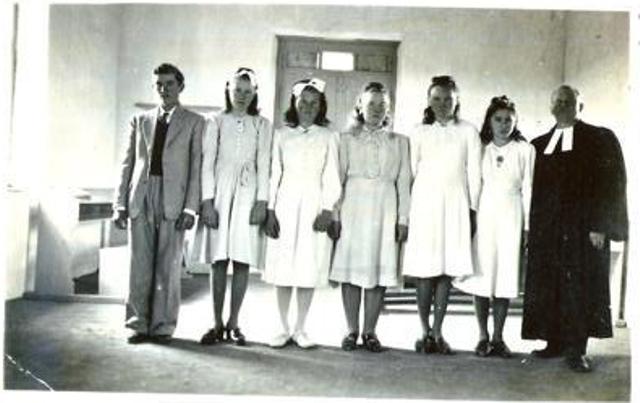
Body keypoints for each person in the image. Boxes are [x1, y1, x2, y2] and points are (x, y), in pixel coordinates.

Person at [522, 85, 628, 372]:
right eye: (557, 100)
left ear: (580, 106)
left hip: (584, 230)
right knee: (551, 285)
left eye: (568, 101)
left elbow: (611, 186)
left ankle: (577, 349)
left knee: (579, 288)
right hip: (549, 232)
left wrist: (601, 225)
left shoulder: (599, 139)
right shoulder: (540, 143)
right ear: (550, 106)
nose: (562, 105)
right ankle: (554, 341)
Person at [112, 63, 203, 345]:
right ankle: (137, 324)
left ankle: (163, 326)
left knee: (168, 266)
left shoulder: (195, 122)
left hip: (173, 199)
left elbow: (196, 168)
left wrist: (191, 208)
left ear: (181, 86)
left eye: (169, 84)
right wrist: (120, 203)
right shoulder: (140, 121)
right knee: (139, 264)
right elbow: (127, 163)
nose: (164, 89)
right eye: (159, 85)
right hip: (141, 196)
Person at [402, 75, 482, 355]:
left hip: (456, 207)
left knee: (447, 272)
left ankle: (438, 332)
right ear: (428, 101)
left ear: (456, 100)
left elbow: (475, 174)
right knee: (425, 272)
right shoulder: (418, 132)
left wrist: (473, 210)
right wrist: (406, 213)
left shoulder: (469, 132)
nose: (442, 104)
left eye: (448, 98)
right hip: (424, 207)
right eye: (436, 98)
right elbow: (409, 174)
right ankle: (424, 331)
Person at [329, 82, 410, 352]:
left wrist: (403, 219)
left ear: (388, 109)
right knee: (351, 272)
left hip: (384, 209)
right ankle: (352, 330)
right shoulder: (346, 139)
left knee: (378, 270)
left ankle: (370, 331)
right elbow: (336, 180)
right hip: (353, 208)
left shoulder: (400, 142)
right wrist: (335, 214)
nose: (376, 110)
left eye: (381, 105)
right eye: (370, 104)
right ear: (360, 107)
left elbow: (403, 183)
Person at [262, 78, 341, 349]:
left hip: (314, 206)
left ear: (321, 106)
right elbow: (274, 174)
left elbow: (332, 175)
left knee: (308, 267)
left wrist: (328, 209)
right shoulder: (282, 135)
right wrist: (271, 210)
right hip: (284, 204)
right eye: (303, 102)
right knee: (284, 268)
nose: (308, 107)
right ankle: (282, 327)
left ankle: (301, 328)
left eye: (313, 102)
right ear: (294, 104)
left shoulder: (329, 137)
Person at [455, 95, 535, 358]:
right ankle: (482, 336)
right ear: (489, 121)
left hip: (512, 216)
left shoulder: (525, 150)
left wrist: (526, 227)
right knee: (482, 279)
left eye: (508, 120)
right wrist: (472, 219)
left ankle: (499, 337)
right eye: (498, 119)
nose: (503, 125)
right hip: (486, 215)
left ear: (516, 122)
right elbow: (473, 186)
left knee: (504, 277)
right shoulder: (481, 149)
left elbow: (529, 190)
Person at [198, 68, 272, 346]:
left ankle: (234, 322)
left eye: (247, 90)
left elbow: (264, 165)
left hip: (248, 193)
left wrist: (262, 201)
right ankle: (216, 323)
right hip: (220, 192)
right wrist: (207, 201)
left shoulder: (262, 125)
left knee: (241, 259)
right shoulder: (215, 121)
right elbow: (207, 162)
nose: (242, 96)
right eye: (237, 90)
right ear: (228, 90)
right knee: (219, 259)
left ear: (254, 93)